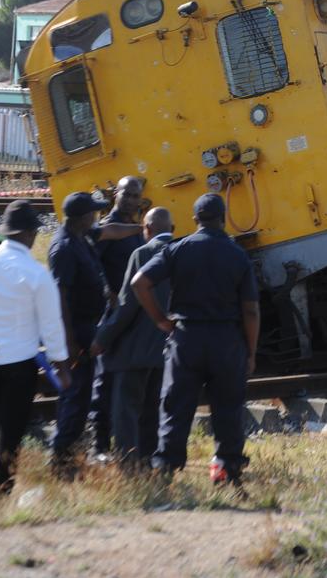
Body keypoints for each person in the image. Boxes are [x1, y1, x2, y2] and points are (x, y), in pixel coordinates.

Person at [132, 193, 260, 486]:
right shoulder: (237, 255)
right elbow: (251, 310)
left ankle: (166, 469)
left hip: (185, 338)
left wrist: (161, 320)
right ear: (223, 217)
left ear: (194, 220)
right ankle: (226, 470)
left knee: (175, 406)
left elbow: (139, 282)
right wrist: (250, 352)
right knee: (228, 408)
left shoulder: (178, 249)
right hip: (227, 340)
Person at [0, 201, 72, 498]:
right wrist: (62, 366)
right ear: (31, 234)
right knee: (12, 429)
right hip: (20, 361)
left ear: (5, 232)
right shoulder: (36, 273)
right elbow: (51, 325)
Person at [47, 191, 140, 475]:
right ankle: (62, 461)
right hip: (75, 330)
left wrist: (141, 228)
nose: (98, 216)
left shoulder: (82, 236)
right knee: (76, 397)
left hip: (88, 326)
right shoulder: (63, 247)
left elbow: (111, 231)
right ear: (84, 216)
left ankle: (70, 457)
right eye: (94, 213)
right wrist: (69, 342)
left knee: (83, 395)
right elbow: (59, 296)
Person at [90, 207, 173, 467]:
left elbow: (127, 305)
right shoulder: (182, 251)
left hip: (135, 347)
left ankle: (128, 464)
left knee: (126, 408)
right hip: (166, 347)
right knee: (152, 408)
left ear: (146, 229)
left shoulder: (142, 253)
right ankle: (148, 459)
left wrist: (102, 339)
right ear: (172, 229)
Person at [89, 176, 145, 458]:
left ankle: (124, 442)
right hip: (113, 313)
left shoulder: (136, 230)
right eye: (127, 194)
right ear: (115, 194)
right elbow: (92, 262)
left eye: (136, 196)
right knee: (105, 379)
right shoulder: (107, 228)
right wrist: (106, 291)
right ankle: (99, 444)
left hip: (132, 314)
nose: (132, 200)